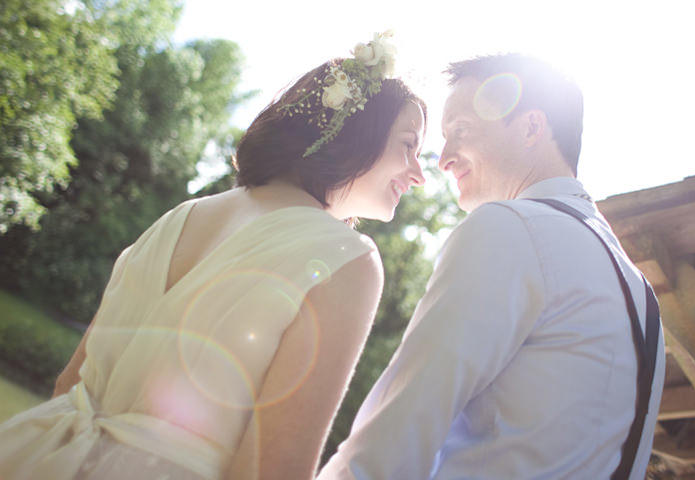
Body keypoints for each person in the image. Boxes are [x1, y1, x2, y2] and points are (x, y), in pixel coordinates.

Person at [0, 32, 427, 480]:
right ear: (355, 134)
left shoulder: (181, 216)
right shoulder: (347, 259)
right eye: (407, 145)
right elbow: (272, 468)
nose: (418, 174)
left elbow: (70, 384)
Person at [318, 54, 665, 479]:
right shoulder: (638, 289)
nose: (443, 160)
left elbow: (399, 427)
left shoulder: (511, 227)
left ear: (532, 128)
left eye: (460, 132)